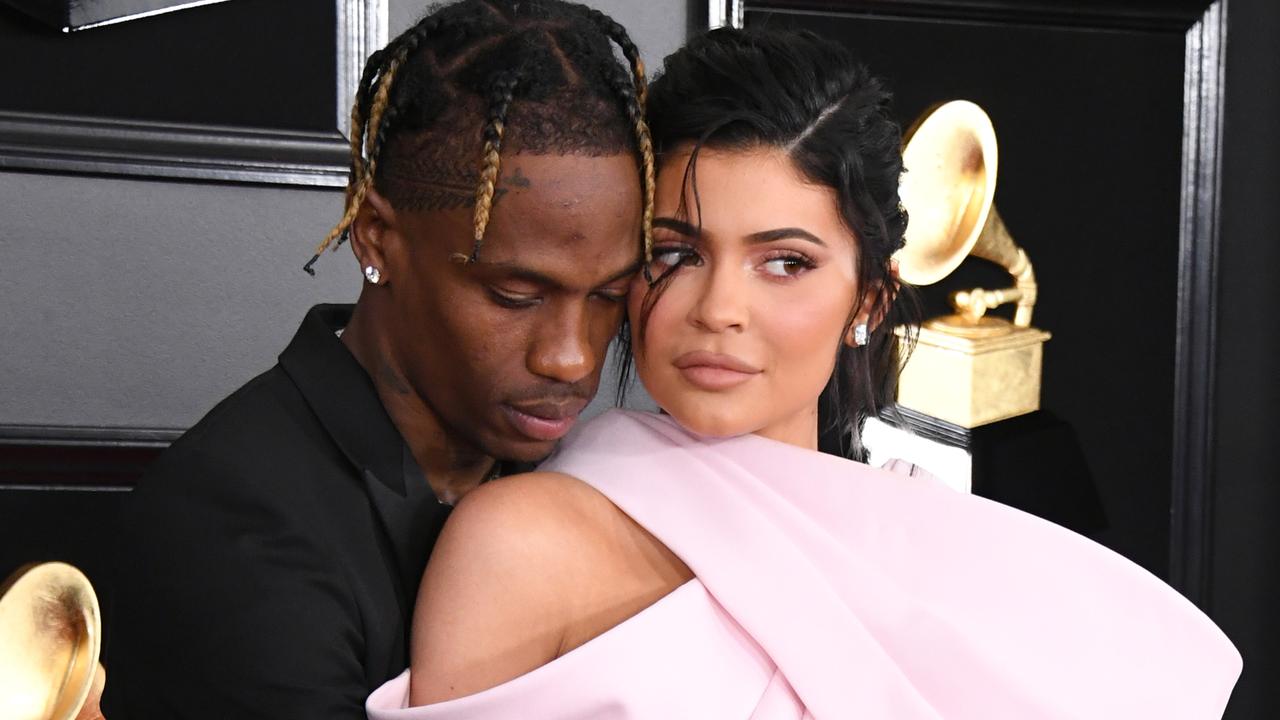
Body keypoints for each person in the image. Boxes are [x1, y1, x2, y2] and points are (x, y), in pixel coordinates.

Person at [365, 27, 1242, 718]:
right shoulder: (517, 544)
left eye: (785, 261)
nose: (719, 308)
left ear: (868, 300)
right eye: (677, 252)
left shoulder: (932, 536)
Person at [101, 2, 656, 718]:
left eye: (611, 296)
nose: (572, 357)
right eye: (515, 295)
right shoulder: (234, 528)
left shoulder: (582, 483)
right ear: (375, 239)